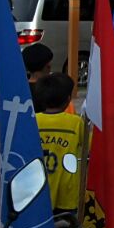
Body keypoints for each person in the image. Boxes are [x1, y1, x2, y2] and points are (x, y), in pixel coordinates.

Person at [33, 74, 86, 214]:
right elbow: (89, 147)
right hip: (67, 191)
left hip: (38, 189)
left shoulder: (32, 121)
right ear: (68, 100)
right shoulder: (76, 123)